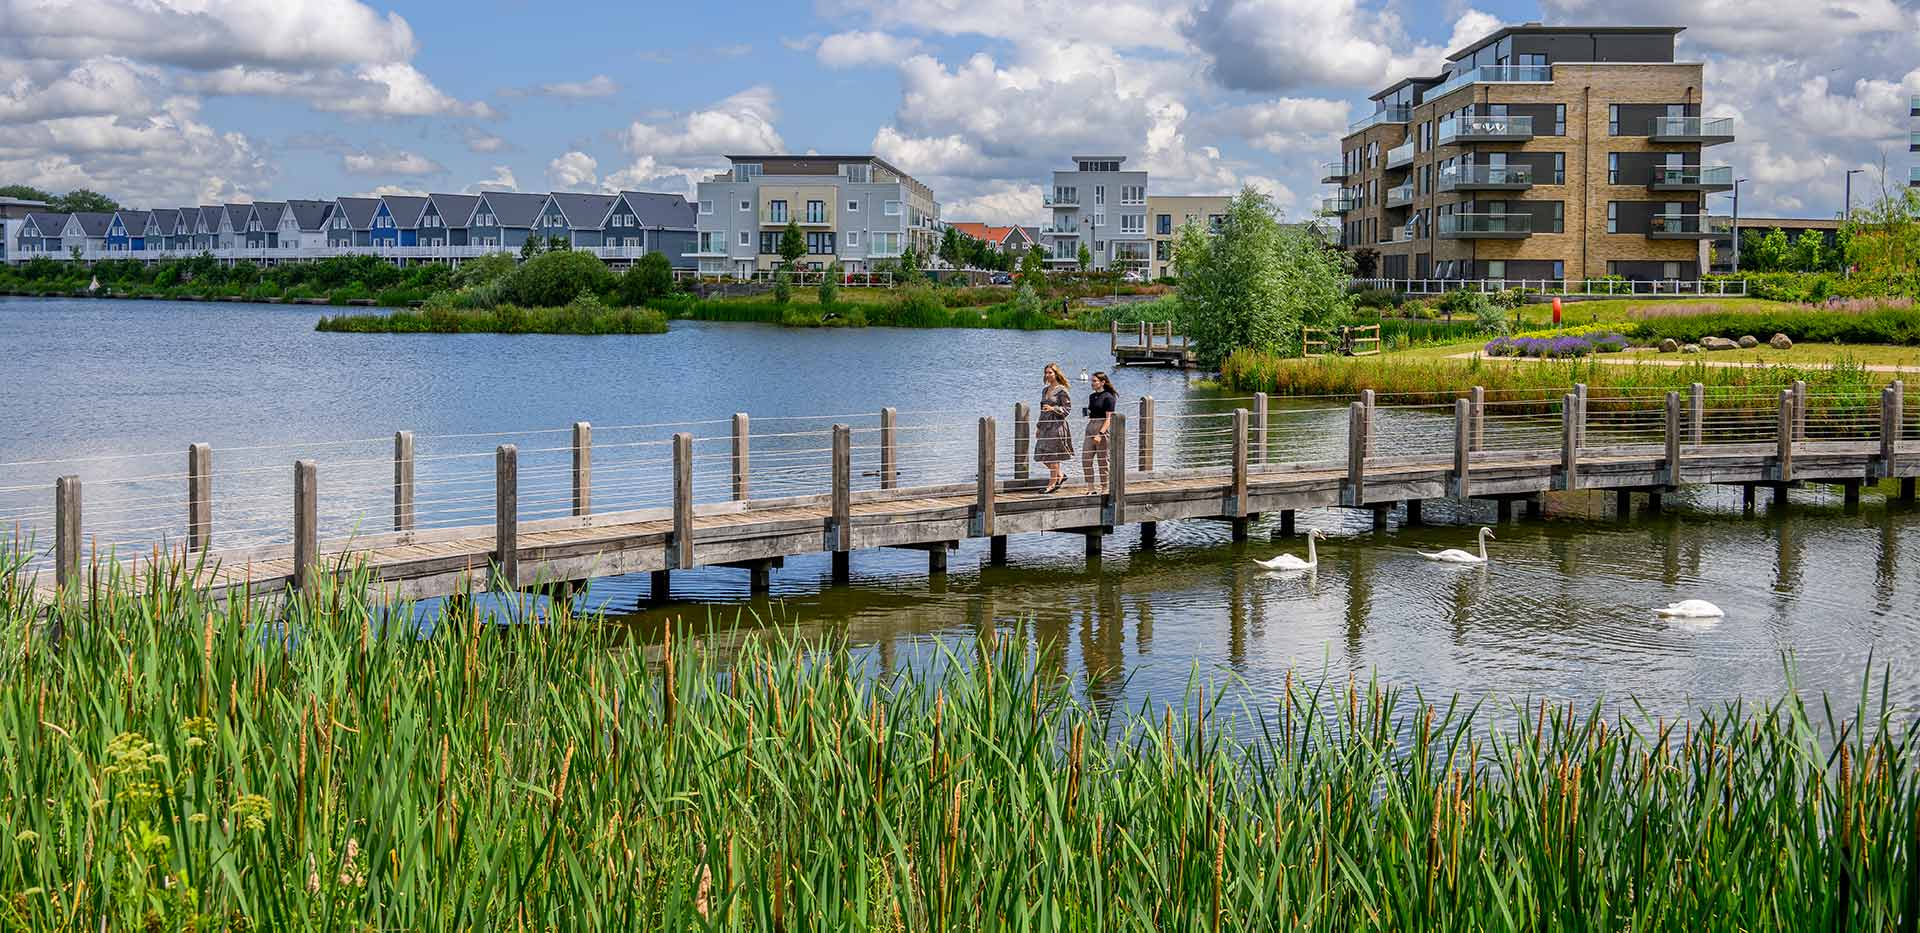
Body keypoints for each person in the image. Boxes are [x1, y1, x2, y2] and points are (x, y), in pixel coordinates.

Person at [1035, 363, 1074, 493]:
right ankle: (1060, 475)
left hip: (1057, 425)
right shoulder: (1045, 390)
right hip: (1045, 425)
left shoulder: (1062, 390)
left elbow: (1067, 410)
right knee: (1041, 453)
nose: (1047, 375)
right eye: (1046, 373)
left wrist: (1053, 408)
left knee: (1053, 455)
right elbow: (1042, 410)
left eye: (1050, 372)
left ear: (1056, 373)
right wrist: (1038, 427)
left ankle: (1051, 485)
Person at [1081, 371, 1118, 493]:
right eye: (1092, 381)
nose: (1092, 383)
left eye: (1095, 381)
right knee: (1086, 458)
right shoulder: (1092, 396)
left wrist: (1100, 434)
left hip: (1102, 429)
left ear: (1102, 382)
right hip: (1090, 427)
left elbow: (1108, 419)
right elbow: (1091, 413)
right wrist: (1087, 413)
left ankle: (1104, 487)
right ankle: (1090, 488)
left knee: (1103, 460)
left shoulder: (1109, 397)